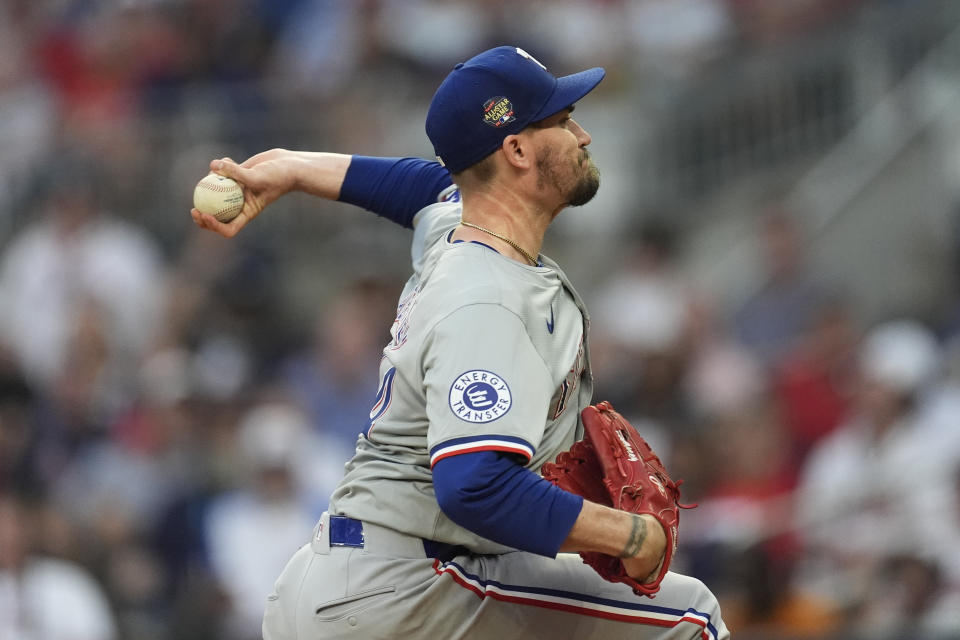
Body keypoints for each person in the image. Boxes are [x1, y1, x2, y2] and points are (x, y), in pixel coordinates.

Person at [191, 46, 728, 640]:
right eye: (562, 120)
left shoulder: (460, 228)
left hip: (348, 583)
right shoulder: (487, 300)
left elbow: (421, 186)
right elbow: (475, 485)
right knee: (688, 619)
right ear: (517, 150)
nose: (583, 134)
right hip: (403, 591)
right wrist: (630, 535)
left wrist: (292, 169)